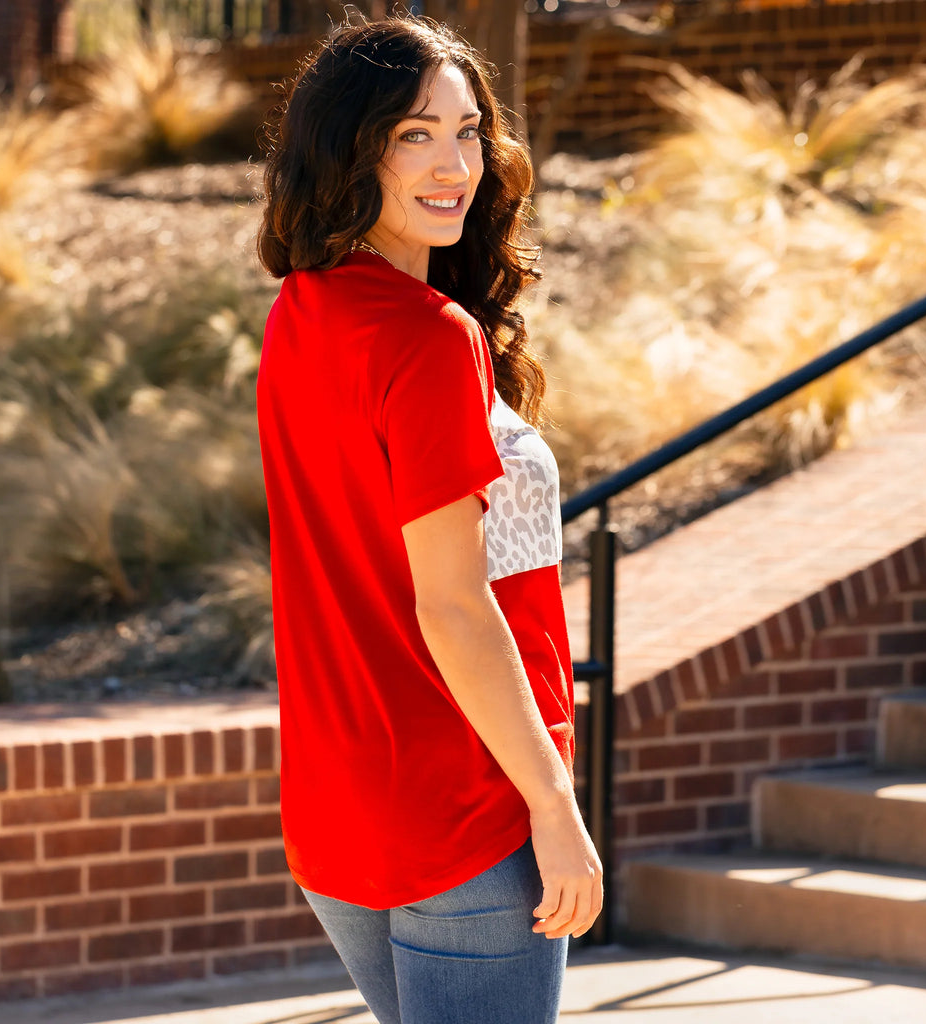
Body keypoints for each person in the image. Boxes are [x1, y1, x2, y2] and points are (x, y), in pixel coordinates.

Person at [255, 14, 602, 1024]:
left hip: (341, 815)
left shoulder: (301, 311)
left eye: (466, 130)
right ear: (351, 146)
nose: (454, 164)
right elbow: (452, 606)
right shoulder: (429, 337)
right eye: (415, 134)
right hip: (464, 808)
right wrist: (551, 805)